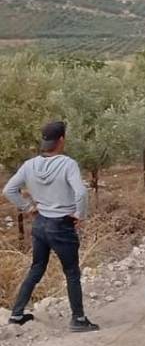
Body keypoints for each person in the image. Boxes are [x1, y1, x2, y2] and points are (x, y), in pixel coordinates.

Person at [2, 121, 99, 331]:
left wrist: (28, 207)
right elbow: (81, 193)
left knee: (36, 268)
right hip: (62, 225)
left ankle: (17, 314)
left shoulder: (29, 165)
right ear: (62, 140)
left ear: (44, 141)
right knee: (72, 272)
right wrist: (80, 215)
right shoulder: (67, 164)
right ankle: (79, 320)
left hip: (40, 224)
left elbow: (9, 190)